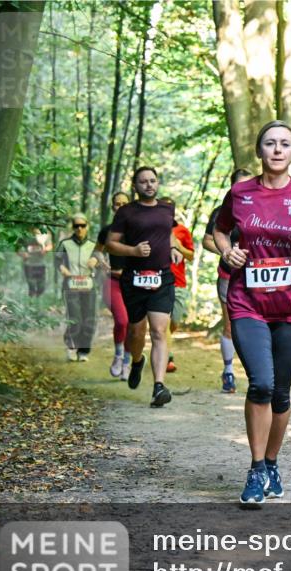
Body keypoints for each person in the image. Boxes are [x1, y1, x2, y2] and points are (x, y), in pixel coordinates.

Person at [212, 120, 291, 505]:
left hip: (289, 305)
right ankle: (255, 469)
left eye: (284, 144)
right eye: (270, 143)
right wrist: (227, 252)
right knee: (261, 384)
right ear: (259, 150)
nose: (277, 150)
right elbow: (220, 230)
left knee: (281, 393)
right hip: (247, 301)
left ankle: (271, 461)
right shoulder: (240, 193)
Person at [105, 167, 184, 408]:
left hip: (162, 278)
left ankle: (159, 386)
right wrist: (133, 251)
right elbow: (110, 244)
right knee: (136, 333)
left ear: (157, 183)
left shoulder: (166, 209)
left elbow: (169, 234)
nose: (149, 185)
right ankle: (137, 361)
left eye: (152, 180)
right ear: (135, 186)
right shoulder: (127, 212)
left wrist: (174, 248)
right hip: (134, 279)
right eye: (143, 182)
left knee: (159, 331)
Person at [203, 168, 255, 393]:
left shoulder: (263, 207)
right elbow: (207, 240)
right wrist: (227, 253)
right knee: (230, 325)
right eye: (239, 185)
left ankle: (259, 373)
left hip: (258, 277)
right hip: (229, 276)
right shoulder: (222, 211)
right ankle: (228, 372)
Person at [95, 191, 132, 379]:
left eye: (125, 204)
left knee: (133, 324)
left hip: (134, 283)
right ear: (113, 207)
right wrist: (103, 263)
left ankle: (127, 361)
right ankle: (118, 356)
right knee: (122, 321)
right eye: (117, 204)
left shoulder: (137, 230)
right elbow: (97, 251)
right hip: (113, 282)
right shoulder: (107, 231)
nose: (121, 207)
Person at [55, 214, 98, 361]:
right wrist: (62, 268)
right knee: (75, 318)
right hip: (71, 285)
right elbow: (57, 260)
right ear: (73, 228)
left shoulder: (93, 245)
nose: (79, 228)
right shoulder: (65, 244)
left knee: (89, 319)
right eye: (76, 226)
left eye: (82, 225)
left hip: (89, 285)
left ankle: (83, 351)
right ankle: (72, 347)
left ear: (87, 227)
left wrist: (96, 261)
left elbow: (102, 260)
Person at [166, 210, 195, 373]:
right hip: (159, 282)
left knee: (174, 321)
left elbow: (191, 256)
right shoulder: (153, 228)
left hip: (178, 283)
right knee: (163, 323)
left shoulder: (182, 230)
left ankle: (161, 342)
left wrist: (178, 246)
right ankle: (167, 357)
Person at [18, 227, 52, 298]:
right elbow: (17, 248)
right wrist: (23, 254)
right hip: (28, 264)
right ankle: (31, 300)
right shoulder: (25, 234)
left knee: (41, 285)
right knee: (31, 285)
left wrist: (45, 249)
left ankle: (39, 298)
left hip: (41, 264)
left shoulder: (44, 233)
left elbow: (50, 245)